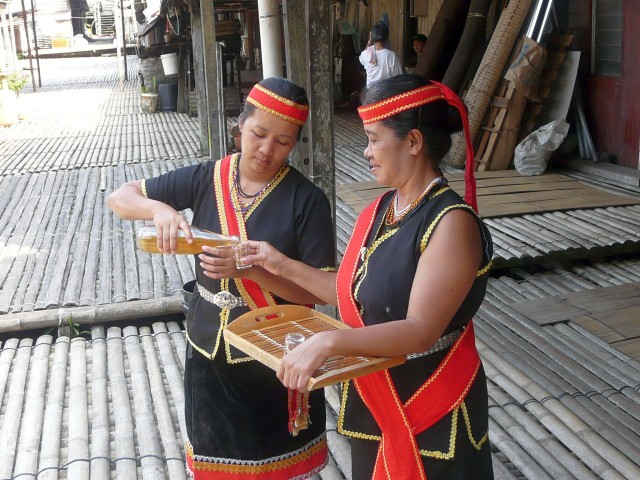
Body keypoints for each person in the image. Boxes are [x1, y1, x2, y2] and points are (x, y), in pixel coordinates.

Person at [240, 73, 494, 479]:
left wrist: (330, 341)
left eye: (375, 139)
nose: (366, 151)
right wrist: (276, 263)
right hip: (374, 396)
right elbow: (350, 296)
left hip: (429, 401)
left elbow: (420, 330)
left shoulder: (451, 223)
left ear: (413, 142)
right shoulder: (379, 212)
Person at [107, 77, 336, 479]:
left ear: (295, 143)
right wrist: (159, 210)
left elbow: (317, 293)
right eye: (258, 134)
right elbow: (121, 197)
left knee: (280, 465)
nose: (266, 149)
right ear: (239, 128)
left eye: (282, 142)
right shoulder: (205, 179)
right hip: (209, 349)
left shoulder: (307, 201)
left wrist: (251, 270)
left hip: (276, 355)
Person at [359, 21, 403, 86]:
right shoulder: (392, 56)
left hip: (370, 94)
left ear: (372, 36)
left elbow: (362, 56)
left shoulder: (366, 54)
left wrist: (369, 42)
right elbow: (399, 79)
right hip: (385, 94)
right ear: (386, 37)